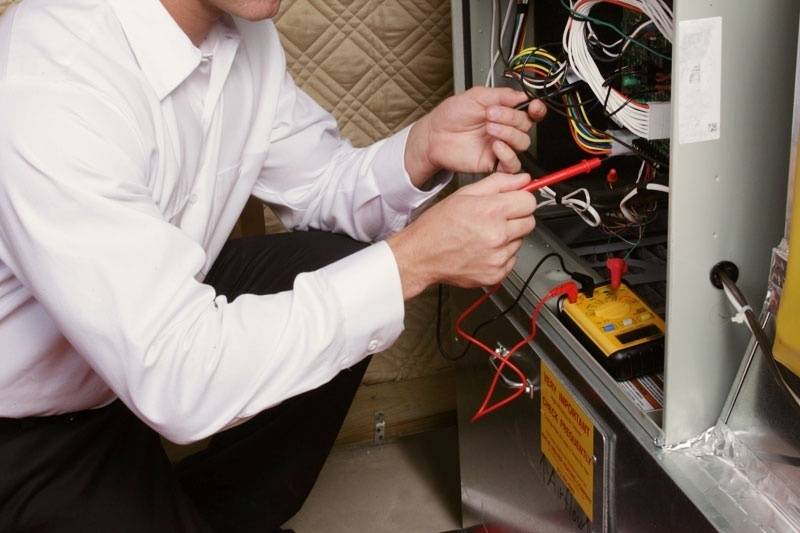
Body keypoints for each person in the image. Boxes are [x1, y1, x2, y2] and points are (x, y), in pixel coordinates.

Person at [0, 0, 544, 531]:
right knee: (369, 282)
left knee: (341, 263)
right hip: (25, 431)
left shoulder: (243, 33)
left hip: (130, 351)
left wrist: (420, 149)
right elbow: (176, 374)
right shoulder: (54, 78)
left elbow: (321, 184)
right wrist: (410, 264)